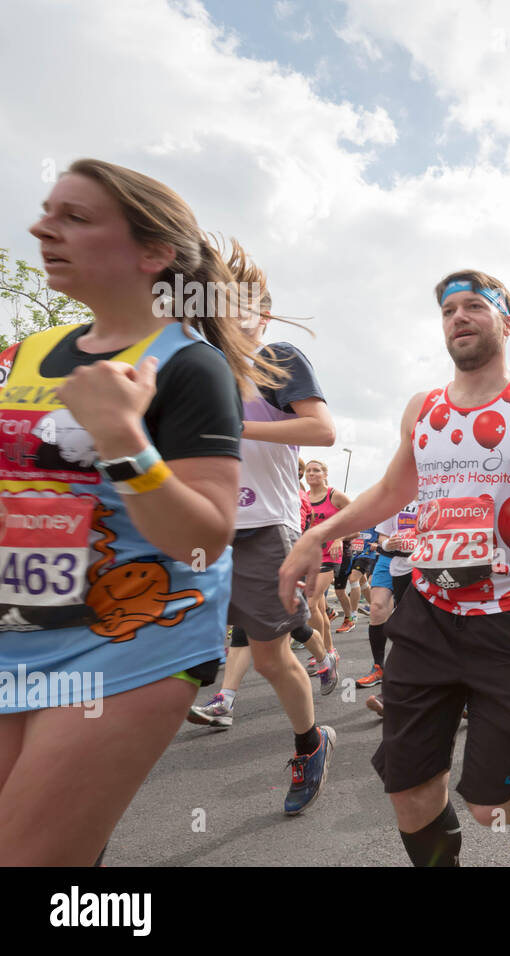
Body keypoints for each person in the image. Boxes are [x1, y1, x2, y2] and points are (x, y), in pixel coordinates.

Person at [278, 270, 510, 867]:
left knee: (490, 806)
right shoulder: (422, 409)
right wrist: (319, 533)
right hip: (428, 613)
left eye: (473, 305)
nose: (458, 316)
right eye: (448, 309)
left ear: (506, 321)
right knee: (409, 791)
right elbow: (391, 491)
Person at [0, 159, 255, 864]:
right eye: (49, 210)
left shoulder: (185, 364)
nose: (40, 226)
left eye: (75, 217)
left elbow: (205, 537)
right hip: (16, 630)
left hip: (129, 639)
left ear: (154, 254)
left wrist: (122, 443)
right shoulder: (22, 354)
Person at [190, 249, 341, 777]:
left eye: (244, 304)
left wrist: (235, 428)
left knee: (272, 656)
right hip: (201, 528)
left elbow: (321, 431)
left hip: (266, 525)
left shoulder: (277, 358)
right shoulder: (196, 366)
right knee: (180, 652)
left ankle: (310, 744)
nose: (232, 314)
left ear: (265, 315)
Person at [356, 501, 417, 712]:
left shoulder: (435, 494)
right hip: (389, 560)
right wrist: (387, 544)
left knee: (409, 620)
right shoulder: (398, 497)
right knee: (377, 608)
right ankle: (379, 667)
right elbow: (382, 536)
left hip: (419, 562)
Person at [303, 460, 349, 668]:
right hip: (308, 556)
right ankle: (330, 651)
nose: (311, 474)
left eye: (316, 470)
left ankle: (320, 653)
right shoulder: (303, 498)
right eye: (308, 471)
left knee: (310, 604)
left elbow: (360, 520)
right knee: (319, 610)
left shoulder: (334, 496)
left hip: (331, 557)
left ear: (325, 474)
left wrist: (339, 538)